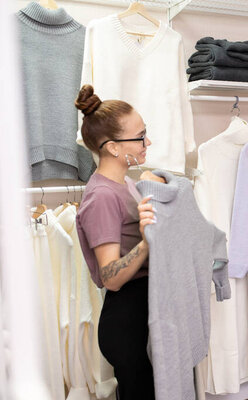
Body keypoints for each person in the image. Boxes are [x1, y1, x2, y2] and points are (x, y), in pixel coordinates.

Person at [74, 84, 159, 399]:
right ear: (112, 147)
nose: (147, 142)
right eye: (139, 137)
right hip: (125, 320)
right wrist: (147, 244)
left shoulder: (124, 184)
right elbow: (110, 276)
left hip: (139, 314)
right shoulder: (101, 197)